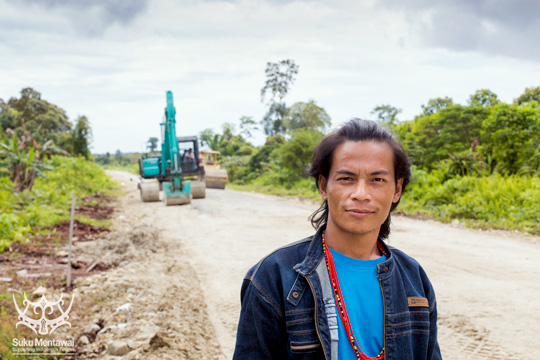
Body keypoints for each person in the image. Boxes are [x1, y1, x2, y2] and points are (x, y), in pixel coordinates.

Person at [233, 119, 441, 359]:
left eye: (377, 180)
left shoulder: (415, 279)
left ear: (397, 190)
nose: (361, 194)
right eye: (346, 179)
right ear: (323, 185)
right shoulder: (272, 278)